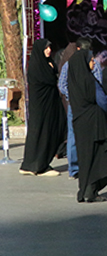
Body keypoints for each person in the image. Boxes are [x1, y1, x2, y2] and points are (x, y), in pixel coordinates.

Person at [67, 50, 107, 203]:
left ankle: (85, 189)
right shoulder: (90, 81)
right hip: (95, 124)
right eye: (91, 60)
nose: (94, 63)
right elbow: (102, 101)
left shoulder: (73, 81)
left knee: (85, 157)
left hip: (80, 123)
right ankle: (91, 190)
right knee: (98, 157)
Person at [20, 39, 66, 177]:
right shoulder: (36, 66)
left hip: (49, 106)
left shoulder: (47, 63)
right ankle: (37, 165)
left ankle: (38, 163)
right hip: (41, 107)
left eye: (50, 48)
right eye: (46, 48)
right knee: (41, 133)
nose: (49, 51)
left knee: (49, 131)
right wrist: (52, 71)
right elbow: (48, 80)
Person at [58, 38, 92, 178]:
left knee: (80, 134)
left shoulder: (91, 65)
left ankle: (81, 166)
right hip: (80, 105)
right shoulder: (70, 65)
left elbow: (62, 85)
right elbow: (62, 85)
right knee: (75, 134)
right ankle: (76, 167)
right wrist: (73, 96)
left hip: (83, 104)